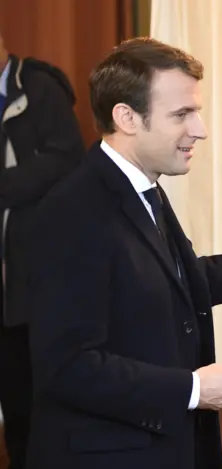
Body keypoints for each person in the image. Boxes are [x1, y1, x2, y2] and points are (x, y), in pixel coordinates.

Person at [25, 37, 222, 469]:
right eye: (182, 114)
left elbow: (179, 281)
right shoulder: (71, 211)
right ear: (126, 118)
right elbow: (67, 367)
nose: (200, 129)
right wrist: (192, 389)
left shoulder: (143, 189)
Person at [0, 28, 84, 469]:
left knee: (38, 407)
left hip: (34, 284)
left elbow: (67, 160)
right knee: (14, 412)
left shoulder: (37, 87)